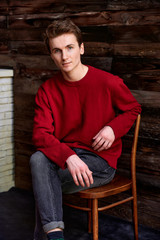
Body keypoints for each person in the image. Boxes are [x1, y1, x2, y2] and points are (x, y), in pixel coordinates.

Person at [30, 18, 141, 240]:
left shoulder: (108, 82)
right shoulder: (47, 90)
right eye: (57, 51)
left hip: (99, 163)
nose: (65, 56)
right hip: (68, 160)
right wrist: (69, 156)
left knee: (44, 182)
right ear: (52, 55)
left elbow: (133, 109)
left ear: (81, 48)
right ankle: (56, 237)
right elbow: (40, 134)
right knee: (38, 161)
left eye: (70, 48)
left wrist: (112, 128)